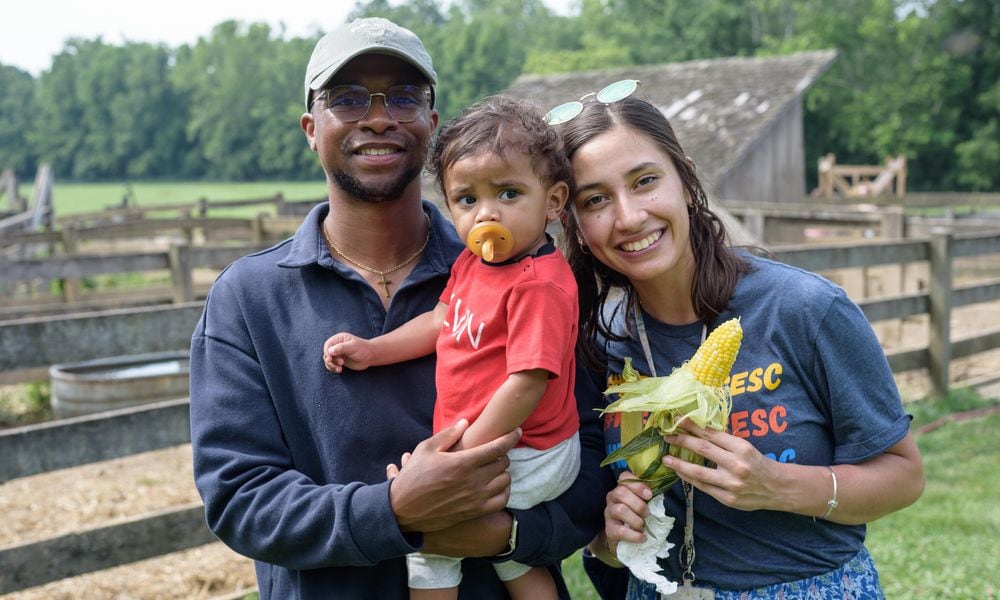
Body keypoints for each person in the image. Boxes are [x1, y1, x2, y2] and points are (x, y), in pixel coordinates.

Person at [188, 18, 607, 600]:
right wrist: (394, 509)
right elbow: (240, 500)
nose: (379, 116)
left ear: (431, 126)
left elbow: (586, 453)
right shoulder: (247, 298)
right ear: (311, 127)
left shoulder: (516, 274)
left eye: (404, 97)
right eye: (348, 98)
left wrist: (508, 536)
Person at [548, 85, 925, 598]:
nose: (629, 216)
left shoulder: (804, 309)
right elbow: (591, 520)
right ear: (574, 220)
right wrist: (609, 535)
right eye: (596, 199)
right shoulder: (597, 341)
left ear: (685, 177)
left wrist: (778, 485)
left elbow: (903, 475)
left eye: (645, 181)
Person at [323, 95, 580, 600]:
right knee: (510, 559)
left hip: (531, 450)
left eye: (508, 193)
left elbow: (527, 383)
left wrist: (462, 454)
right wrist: (376, 349)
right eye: (467, 200)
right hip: (501, 445)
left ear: (553, 201)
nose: (487, 213)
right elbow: (443, 321)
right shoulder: (472, 264)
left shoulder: (537, 284)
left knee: (431, 541)